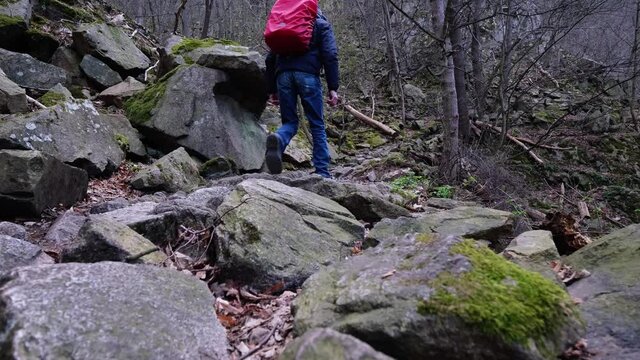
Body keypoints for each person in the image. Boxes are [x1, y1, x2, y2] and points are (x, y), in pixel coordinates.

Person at [264, 9, 340, 179]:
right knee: (317, 125)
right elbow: (330, 55)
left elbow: (270, 59)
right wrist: (333, 87)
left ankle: (279, 138)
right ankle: (322, 171)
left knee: (290, 122)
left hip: (283, 76)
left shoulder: (284, 25)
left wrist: (271, 90)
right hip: (308, 77)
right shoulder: (321, 25)